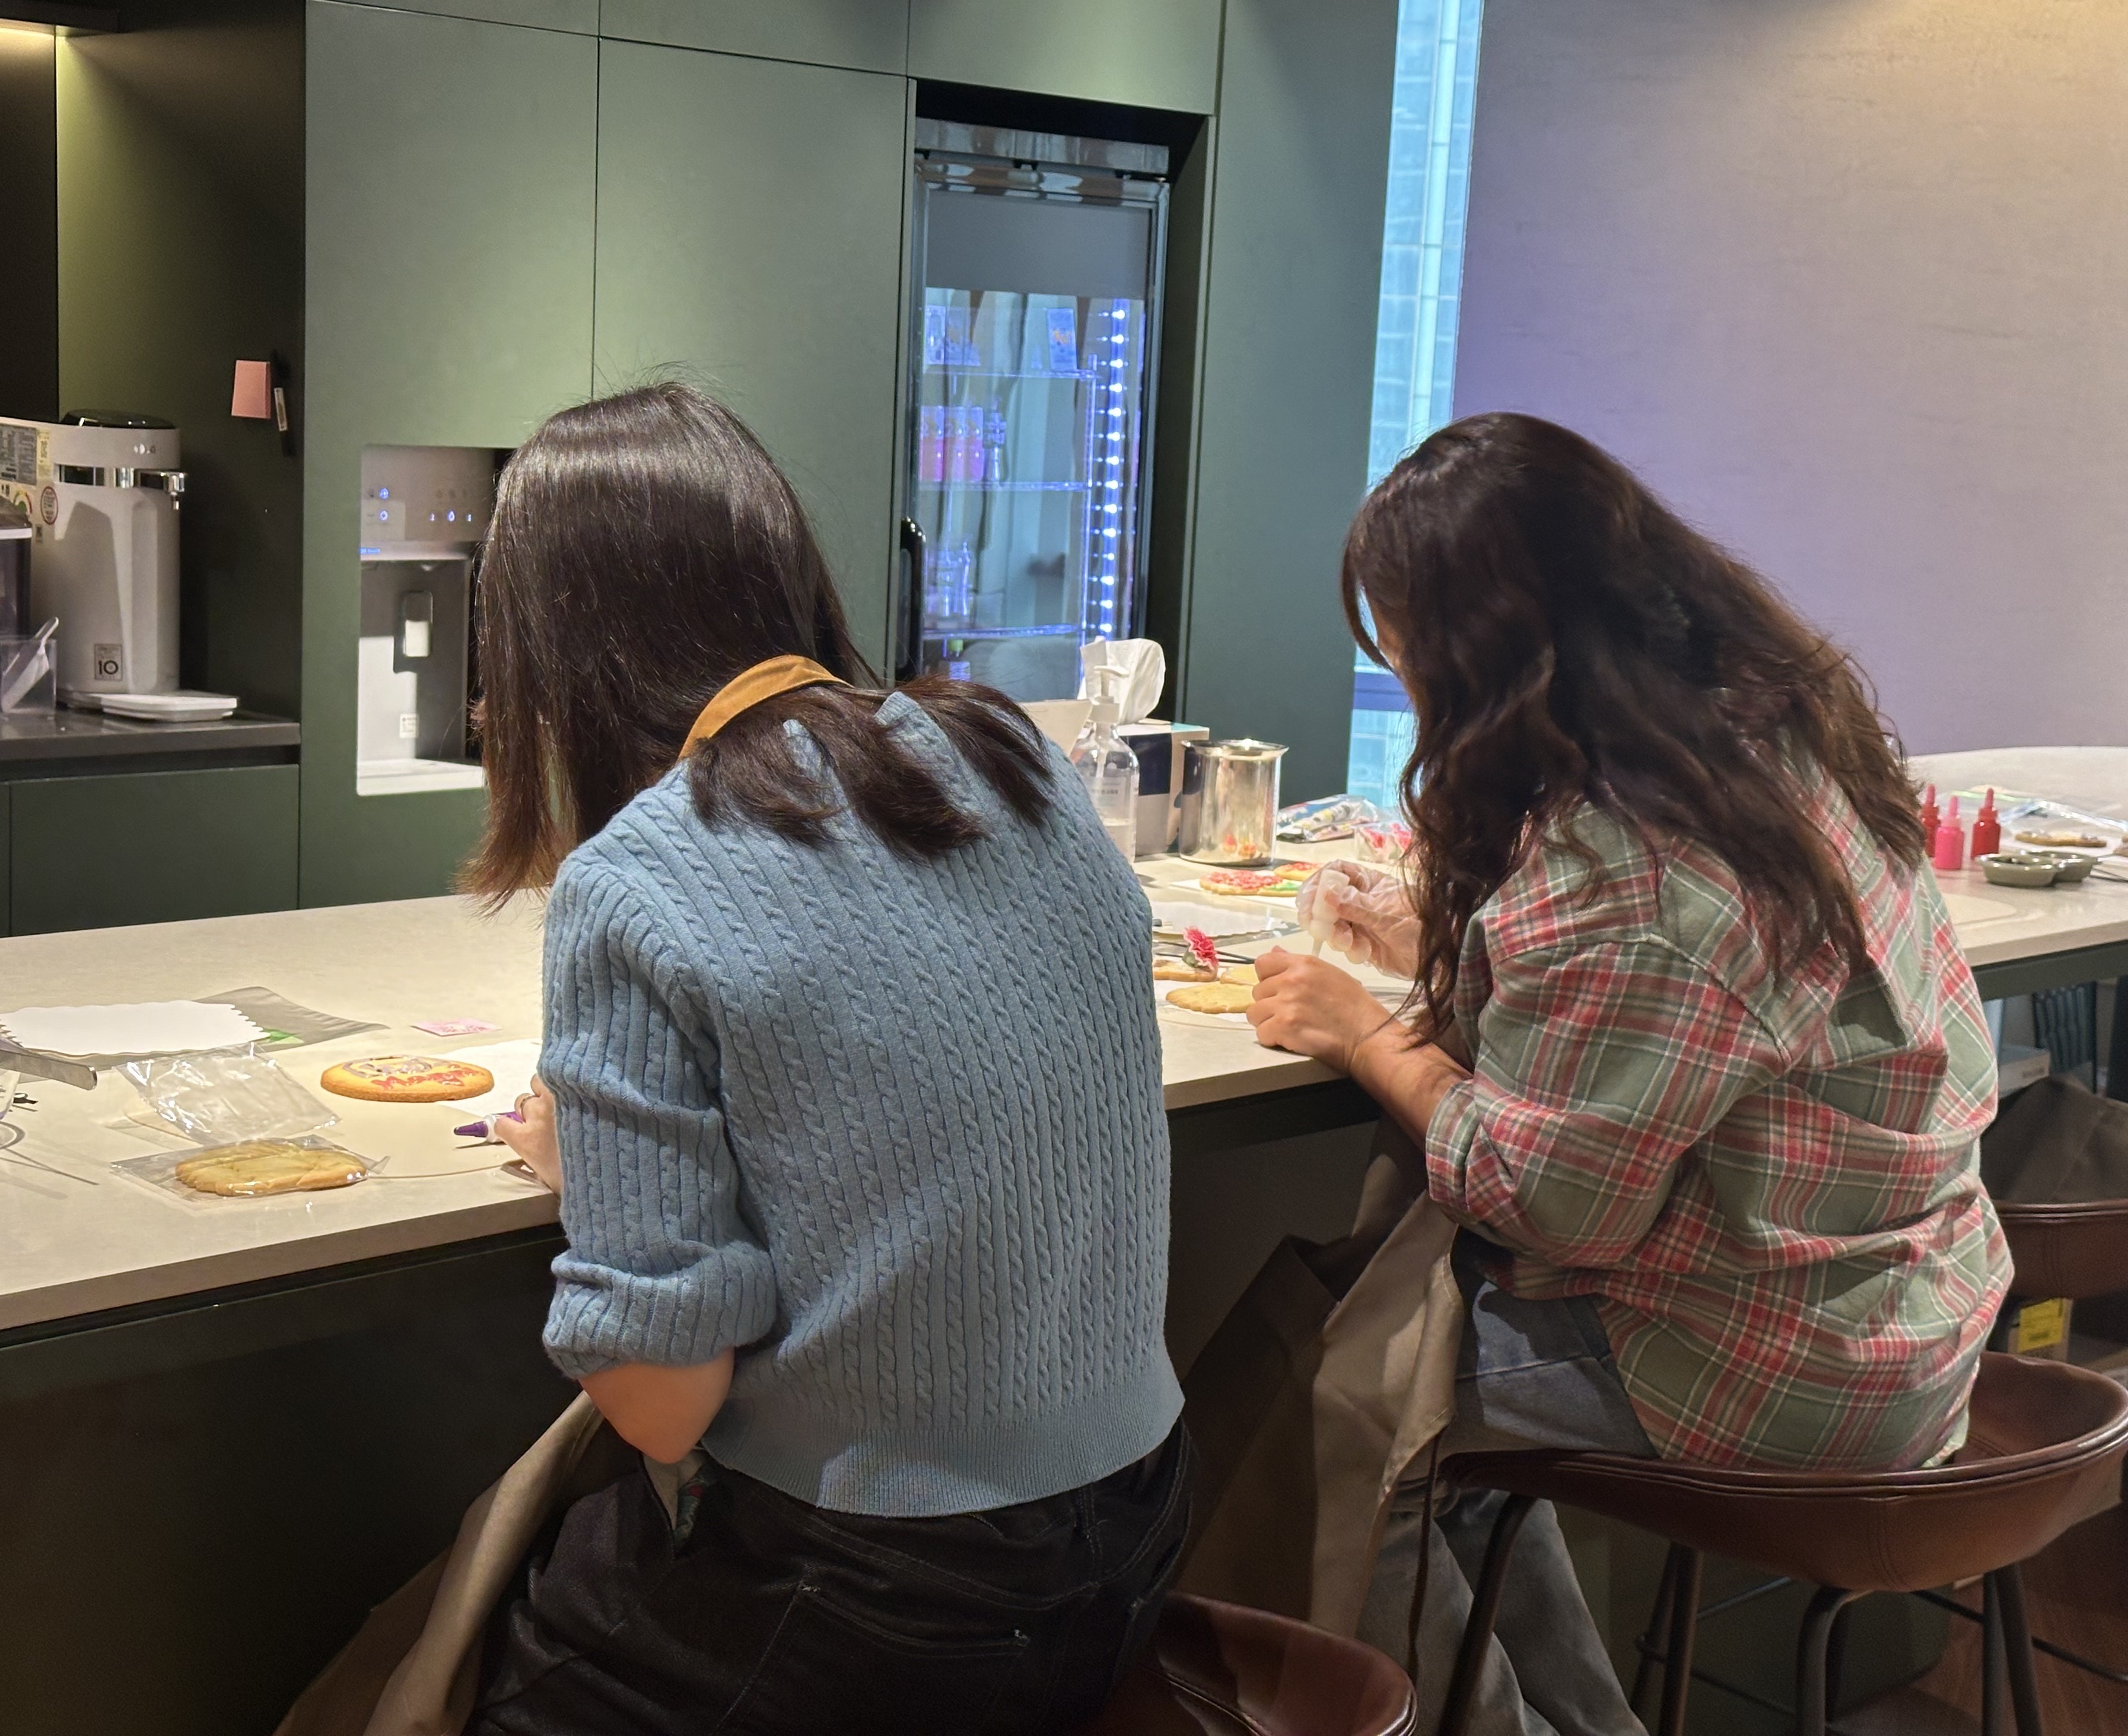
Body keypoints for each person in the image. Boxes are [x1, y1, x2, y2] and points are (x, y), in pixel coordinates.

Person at [1248, 412, 2009, 1735]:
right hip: (1912, 1300)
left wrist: (1367, 1035)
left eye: (1408, 651)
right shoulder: (1777, 741)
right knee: (1427, 1393)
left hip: (1785, 1360)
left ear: (1487, 658)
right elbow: (1667, 1017)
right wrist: (1452, 933)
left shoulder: (1633, 871)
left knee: (1349, 1409)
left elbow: (1550, 1209)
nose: (1407, 684)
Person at [460, 383, 1189, 1736]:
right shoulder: (1016, 759)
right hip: (1135, 1539)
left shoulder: (640, 878)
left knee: (474, 1662)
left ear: (549, 649)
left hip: (879, 1594)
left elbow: (663, 1407)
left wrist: (595, 1183)